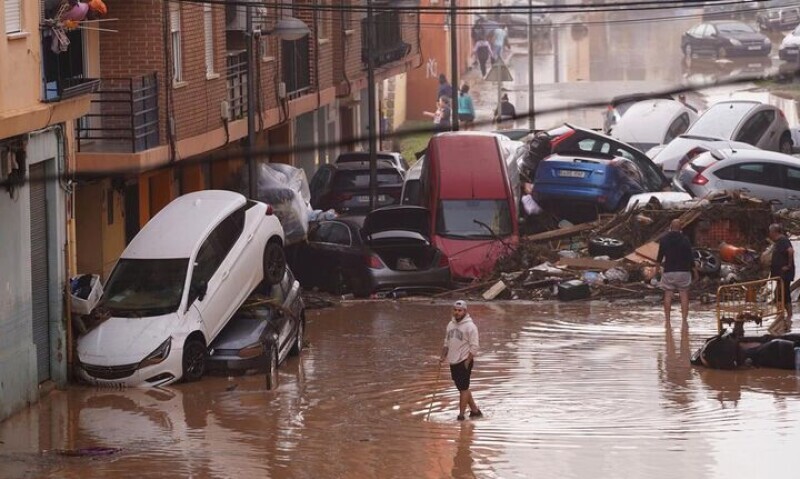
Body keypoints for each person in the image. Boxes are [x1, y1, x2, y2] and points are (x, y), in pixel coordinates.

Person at [439, 300, 482, 421]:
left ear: (465, 311)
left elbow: (475, 346)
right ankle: (475, 411)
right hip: (453, 361)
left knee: (463, 389)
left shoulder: (470, 327)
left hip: (464, 361)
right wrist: (443, 356)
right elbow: (446, 342)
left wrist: (467, 362)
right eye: (455, 310)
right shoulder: (450, 325)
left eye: (460, 310)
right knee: (463, 388)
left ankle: (461, 416)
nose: (457, 312)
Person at [656, 219, 696, 323]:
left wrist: (657, 269)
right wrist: (695, 270)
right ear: (681, 228)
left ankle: (668, 320)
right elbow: (690, 257)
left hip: (669, 271)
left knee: (668, 294)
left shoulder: (664, 240)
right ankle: (684, 320)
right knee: (683, 294)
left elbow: (660, 256)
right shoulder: (685, 239)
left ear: (670, 227)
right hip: (683, 271)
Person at [769, 223, 794, 327]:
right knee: (779, 293)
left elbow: (791, 251)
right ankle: (781, 314)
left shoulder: (783, 240)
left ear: (774, 232)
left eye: (770, 232)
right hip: (779, 274)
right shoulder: (778, 242)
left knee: (784, 293)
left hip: (784, 274)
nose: (769, 234)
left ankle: (787, 315)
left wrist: (788, 265)